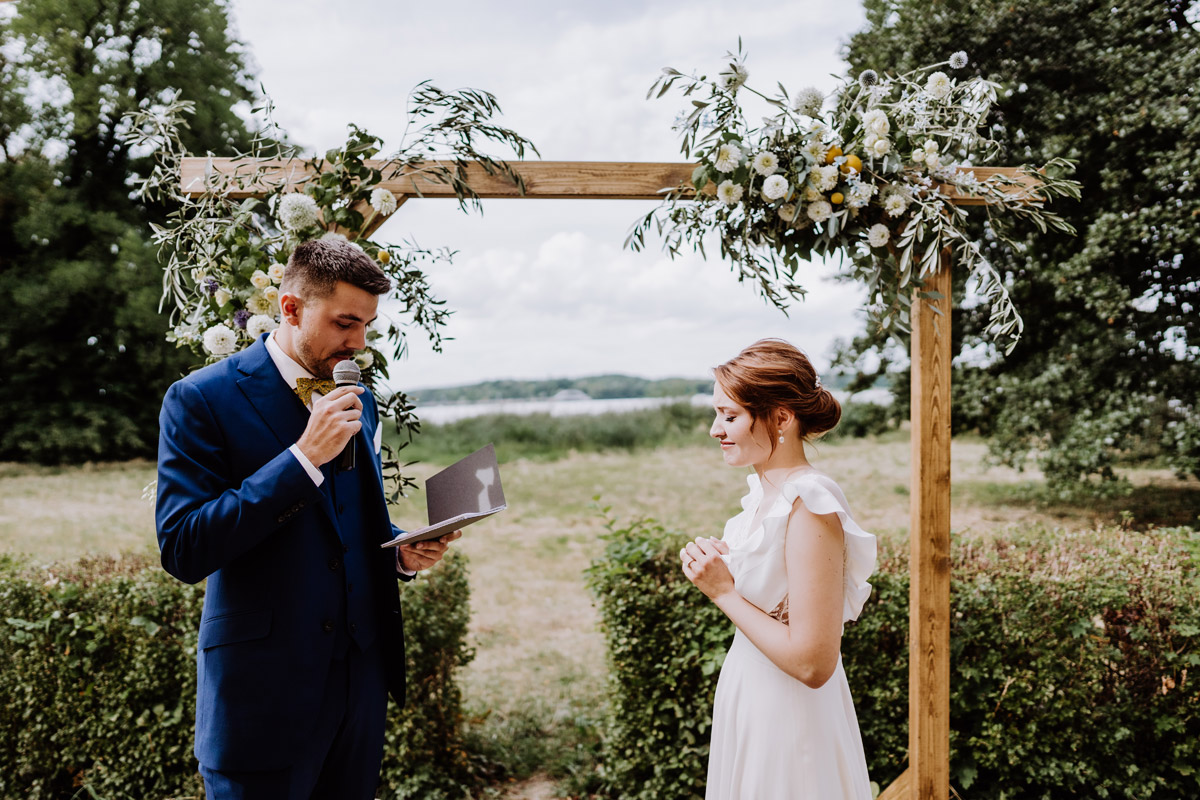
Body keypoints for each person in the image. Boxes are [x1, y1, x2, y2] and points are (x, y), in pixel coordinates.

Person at [155, 238, 460, 800]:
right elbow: (182, 547)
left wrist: (400, 550)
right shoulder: (199, 399)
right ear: (291, 308)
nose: (359, 343)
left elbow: (348, 524)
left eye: (367, 325)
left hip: (357, 694)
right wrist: (302, 459)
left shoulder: (357, 401)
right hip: (261, 700)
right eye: (346, 322)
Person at [680, 338, 877, 800]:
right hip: (750, 698)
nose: (715, 429)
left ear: (782, 417)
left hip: (790, 717)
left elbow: (813, 662)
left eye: (730, 416)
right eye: (717, 414)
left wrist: (724, 591)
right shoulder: (762, 494)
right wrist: (722, 560)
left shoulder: (809, 502)